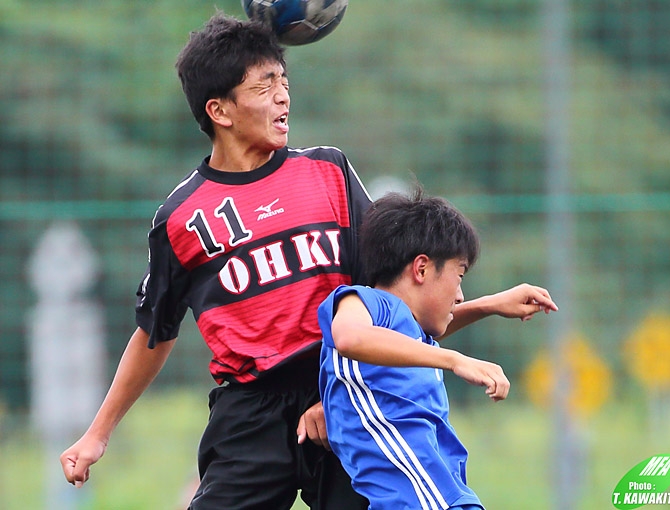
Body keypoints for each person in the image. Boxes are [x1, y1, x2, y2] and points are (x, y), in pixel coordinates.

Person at [59, 12, 557, 510]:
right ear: (220, 110)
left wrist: (336, 393)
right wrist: (97, 435)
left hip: (347, 397)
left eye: (283, 80)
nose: (282, 96)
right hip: (249, 414)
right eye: (263, 86)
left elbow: (387, 316)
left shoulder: (329, 173)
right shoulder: (181, 217)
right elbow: (154, 334)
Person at [318, 187, 557, 510]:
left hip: (442, 490)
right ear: (421, 269)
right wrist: (455, 360)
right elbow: (351, 338)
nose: (459, 295)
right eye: (459, 276)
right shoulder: (361, 301)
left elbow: (412, 337)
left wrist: (489, 305)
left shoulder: (405, 331)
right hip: (419, 498)